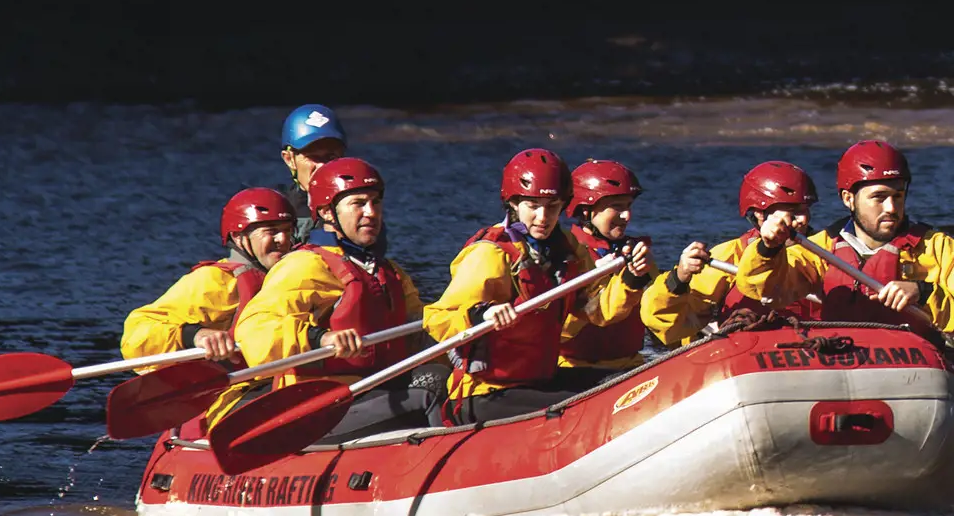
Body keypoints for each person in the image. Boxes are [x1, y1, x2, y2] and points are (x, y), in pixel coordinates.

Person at [215, 155, 431, 442]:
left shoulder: (391, 274)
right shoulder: (305, 265)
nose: (371, 213)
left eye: (375, 203)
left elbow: (424, 329)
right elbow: (254, 329)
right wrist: (320, 339)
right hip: (319, 409)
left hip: (375, 393)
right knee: (428, 390)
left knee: (439, 376)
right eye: (358, 204)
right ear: (328, 213)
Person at [423, 149, 605, 422]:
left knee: (620, 381)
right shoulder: (490, 254)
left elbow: (595, 309)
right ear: (514, 204)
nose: (543, 217)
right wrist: (480, 314)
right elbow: (436, 318)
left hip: (539, 379)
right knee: (586, 405)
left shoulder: (567, 249)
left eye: (552, 206)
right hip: (486, 392)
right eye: (532, 206)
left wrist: (631, 280)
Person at [814, 138, 954, 336]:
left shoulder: (937, 247)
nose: (891, 208)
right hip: (836, 352)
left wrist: (925, 293)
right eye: (879, 197)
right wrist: (774, 247)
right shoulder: (816, 249)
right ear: (848, 199)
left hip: (912, 357)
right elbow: (779, 283)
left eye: (898, 196)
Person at [640, 161, 830, 346]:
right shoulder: (727, 256)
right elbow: (666, 325)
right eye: (793, 212)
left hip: (821, 347)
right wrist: (679, 279)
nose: (803, 219)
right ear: (760, 215)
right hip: (751, 355)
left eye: (806, 210)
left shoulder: (827, 249)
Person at [119, 188, 299, 363]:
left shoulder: (301, 271)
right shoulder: (215, 280)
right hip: (236, 384)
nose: (283, 240)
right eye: (271, 231)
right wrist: (195, 335)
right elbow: (137, 334)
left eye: (287, 231)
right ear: (238, 237)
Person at [558, 160, 658, 370]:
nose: (627, 216)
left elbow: (657, 308)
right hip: (571, 367)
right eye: (617, 207)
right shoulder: (565, 253)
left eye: (629, 206)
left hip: (629, 365)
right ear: (586, 211)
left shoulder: (636, 252)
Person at [277, 103, 348, 206]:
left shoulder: (360, 207)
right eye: (312, 157)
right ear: (289, 159)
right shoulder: (279, 209)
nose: (322, 165)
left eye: (331, 157)